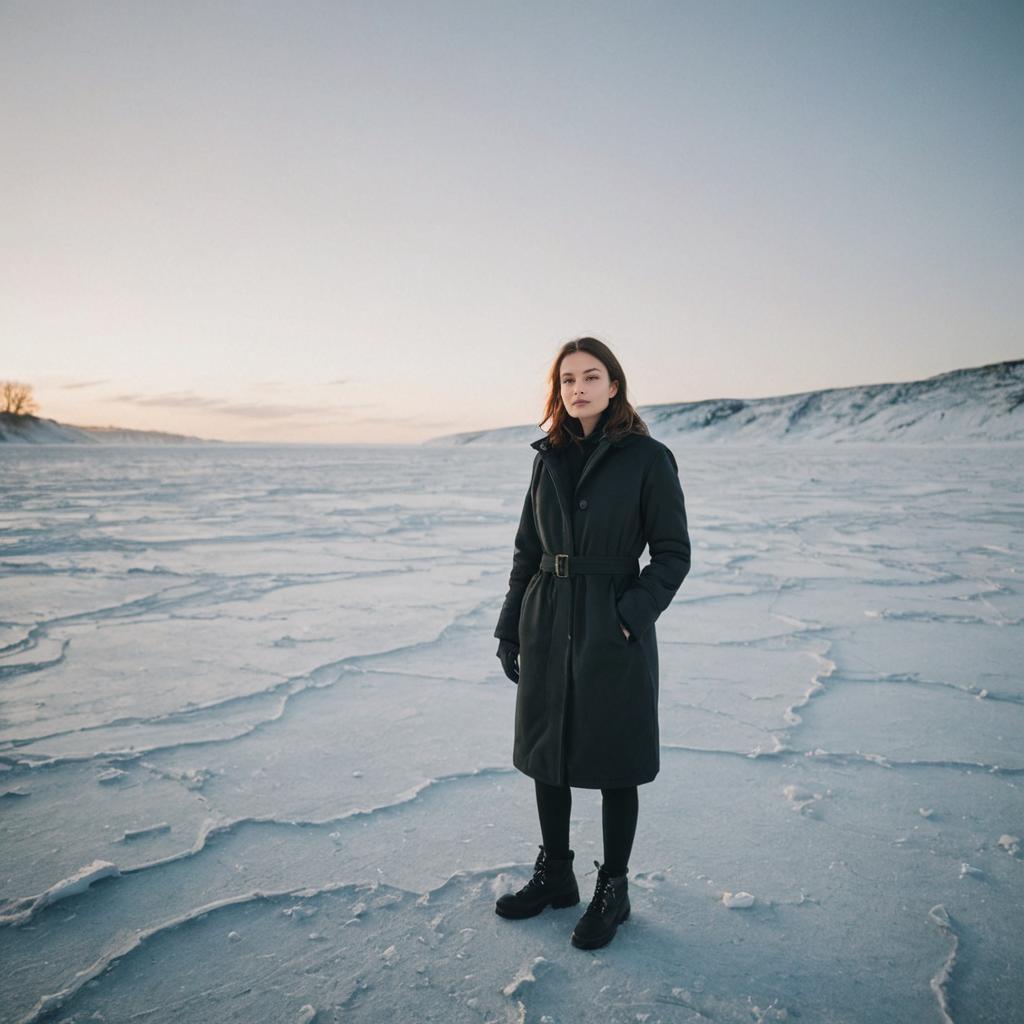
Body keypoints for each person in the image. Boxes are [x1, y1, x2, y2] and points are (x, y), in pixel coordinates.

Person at [493, 336, 692, 950]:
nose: (577, 388)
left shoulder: (648, 458)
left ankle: (614, 888)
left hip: (611, 626)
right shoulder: (546, 456)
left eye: (591, 376)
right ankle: (556, 875)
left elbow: (673, 554)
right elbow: (528, 549)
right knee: (547, 753)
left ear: (614, 385)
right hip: (546, 620)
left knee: (614, 761)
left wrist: (628, 617)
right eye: (566, 379)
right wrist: (510, 624)